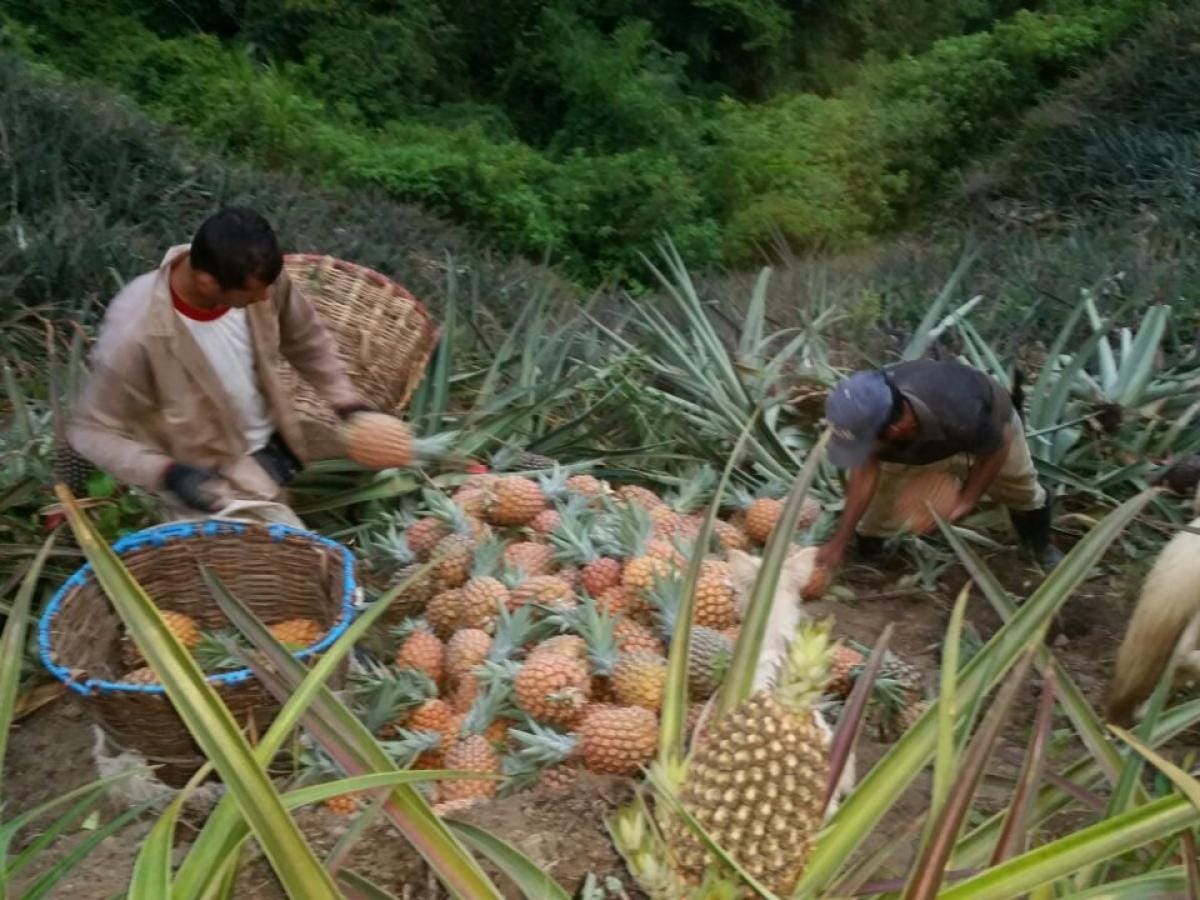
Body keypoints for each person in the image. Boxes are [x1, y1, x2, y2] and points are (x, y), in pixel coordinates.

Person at [68, 207, 370, 527]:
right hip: (209, 490)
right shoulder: (135, 333)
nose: (266, 297)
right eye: (254, 292)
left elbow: (305, 338)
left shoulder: (257, 276)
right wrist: (166, 472)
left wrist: (345, 400)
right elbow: (91, 431)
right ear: (207, 282)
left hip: (270, 462)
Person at [804, 358, 1061, 600]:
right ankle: (871, 551)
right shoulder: (865, 410)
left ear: (895, 429)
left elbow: (1000, 444)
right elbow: (864, 472)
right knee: (881, 504)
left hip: (988, 428)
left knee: (1020, 487)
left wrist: (966, 500)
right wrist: (838, 541)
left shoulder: (961, 409)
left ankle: (1039, 546)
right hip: (914, 443)